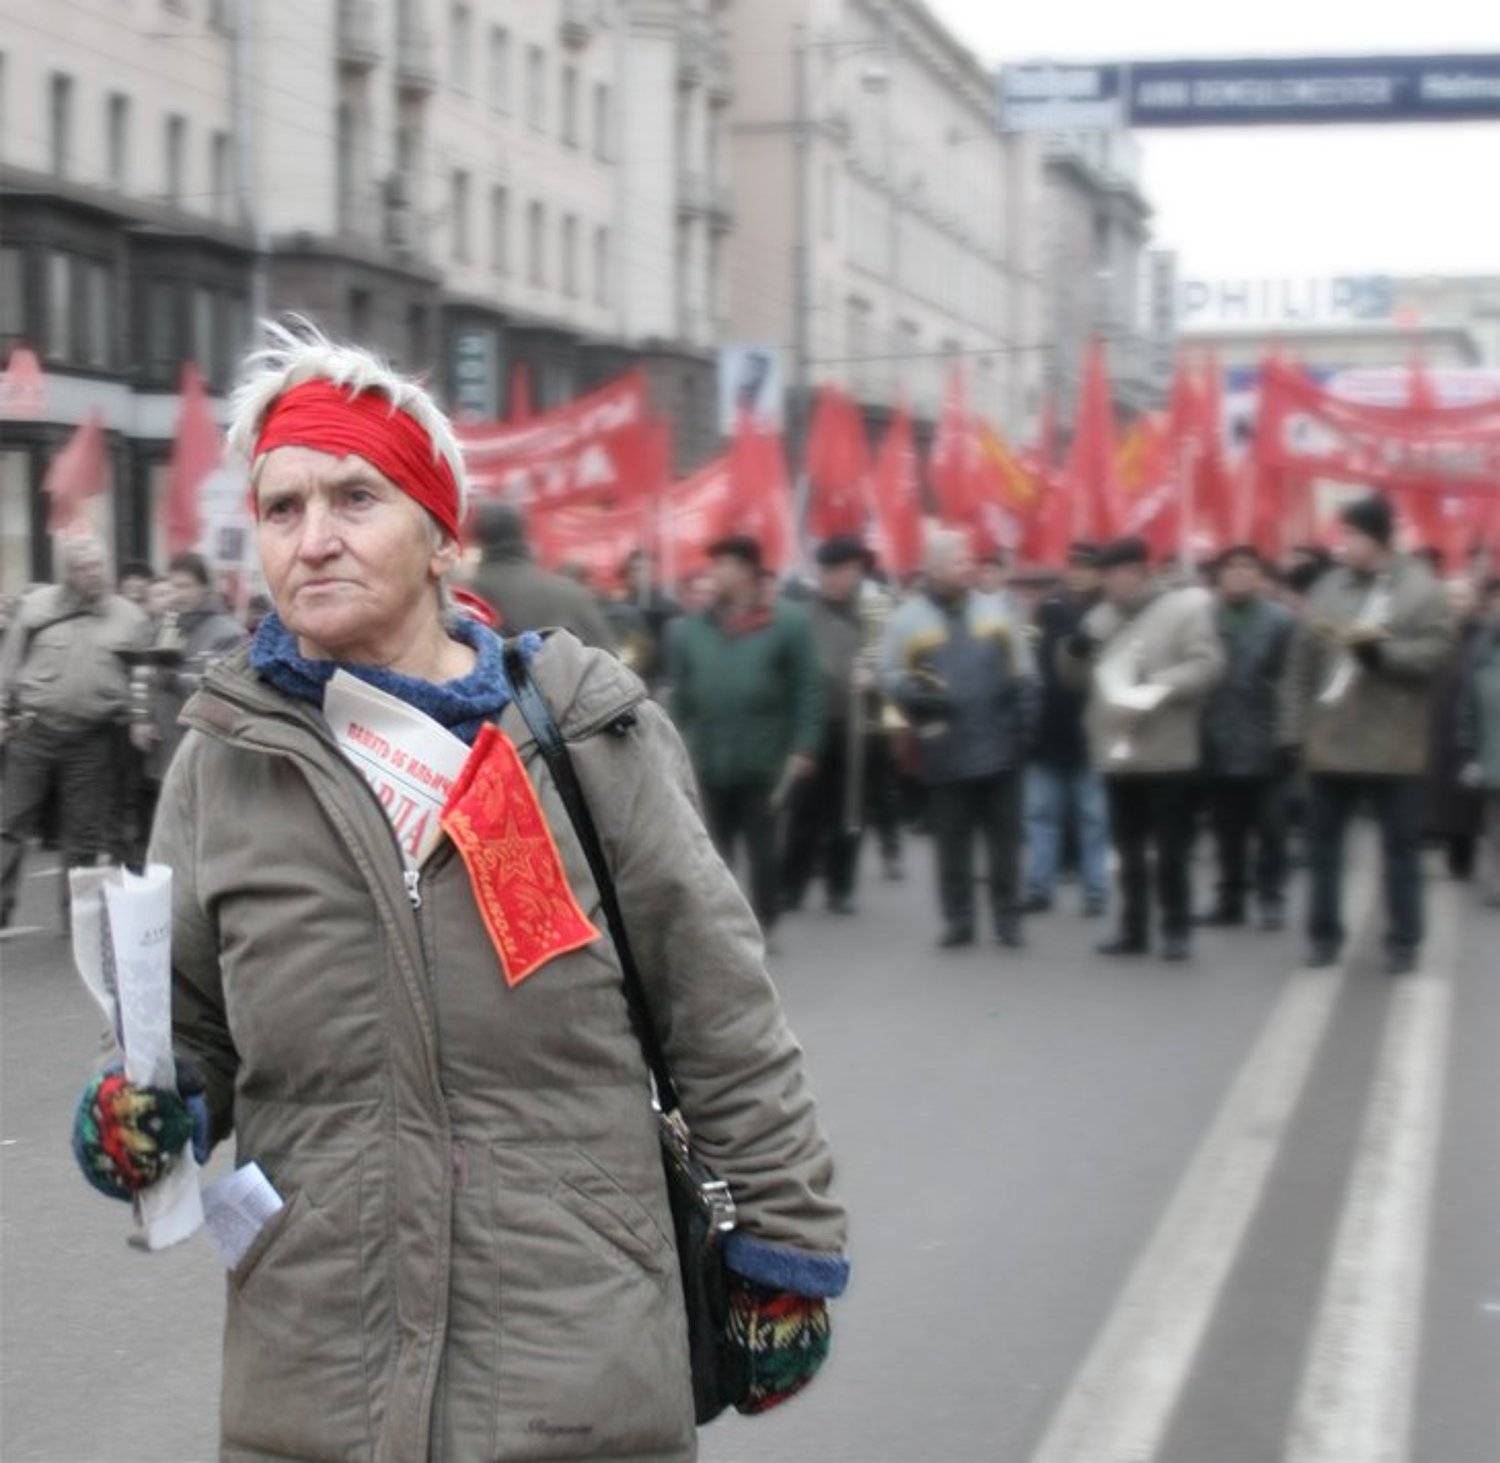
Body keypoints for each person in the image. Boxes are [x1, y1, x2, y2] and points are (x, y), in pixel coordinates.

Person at [67, 322, 848, 1459]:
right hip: (316, 1375)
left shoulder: (584, 735)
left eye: (354, 499)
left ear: (442, 536)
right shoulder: (222, 758)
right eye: (282, 509)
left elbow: (721, 1011)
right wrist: (139, 1112)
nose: (314, 540)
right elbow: (182, 1030)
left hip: (571, 1367)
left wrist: (784, 1242)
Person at [1280, 493, 1454, 974]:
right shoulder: (1328, 588)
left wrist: (1384, 655)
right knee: (1323, 849)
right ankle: (1323, 935)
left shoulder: (1421, 590)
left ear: (1377, 538)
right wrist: (1294, 729)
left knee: (1400, 851)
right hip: (1331, 740)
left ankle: (1404, 941)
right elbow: (1301, 664)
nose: (1343, 543)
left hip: (1394, 744)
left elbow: (1436, 653)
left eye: (1352, 534)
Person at [1060, 536, 1225, 961]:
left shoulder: (1184, 609)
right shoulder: (1100, 617)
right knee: (1127, 846)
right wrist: (1072, 652)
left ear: (1137, 572)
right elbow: (1075, 680)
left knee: (1170, 847)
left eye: (1113, 575)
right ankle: (1133, 928)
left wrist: (1159, 684)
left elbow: (1208, 665)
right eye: (1104, 576)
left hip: (1166, 746)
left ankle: (1175, 928)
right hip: (1117, 747)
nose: (1107, 585)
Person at [881, 529, 1039, 949]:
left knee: (1004, 842)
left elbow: (1024, 673)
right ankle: (959, 919)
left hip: (1001, 748)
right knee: (952, 843)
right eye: (958, 560)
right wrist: (914, 693)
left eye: (969, 559)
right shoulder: (907, 620)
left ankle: (1008, 918)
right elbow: (890, 674)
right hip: (944, 748)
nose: (968, 566)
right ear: (932, 568)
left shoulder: (997, 611)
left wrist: (1024, 729)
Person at [669, 534, 822, 937]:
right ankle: (722, 926)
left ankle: (765, 919)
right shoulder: (693, 629)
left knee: (762, 848)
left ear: (746, 572)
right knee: (712, 849)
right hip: (708, 757)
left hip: (765, 758)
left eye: (723, 565)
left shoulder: (787, 623)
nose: (714, 573)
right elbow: (680, 692)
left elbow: (808, 688)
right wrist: (669, 741)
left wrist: (805, 745)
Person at [0, 535, 150, 928]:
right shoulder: (35, 608)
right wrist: (2, 713)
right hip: (34, 731)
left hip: (92, 736)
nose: (93, 575)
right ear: (67, 573)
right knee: (9, 823)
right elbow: (8, 665)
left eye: (98, 566)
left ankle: (78, 919)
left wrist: (139, 715)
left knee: (82, 833)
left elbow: (143, 673)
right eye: (83, 568)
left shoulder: (130, 617)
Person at [1198, 545, 1297, 930]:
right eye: (1231, 566)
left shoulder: (1280, 622)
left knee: (1271, 827)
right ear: (1219, 575)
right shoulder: (1205, 618)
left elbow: (1291, 682)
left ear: (1260, 576)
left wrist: (1290, 735)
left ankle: (1271, 897)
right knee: (1226, 828)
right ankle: (1230, 899)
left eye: (1247, 566)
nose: (1238, 574)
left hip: (1266, 737)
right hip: (1218, 736)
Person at [782, 536, 874, 915]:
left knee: (849, 812)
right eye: (839, 573)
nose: (845, 580)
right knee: (805, 811)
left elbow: (887, 659)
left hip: (855, 727)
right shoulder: (803, 616)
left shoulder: (868, 616)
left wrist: (872, 677)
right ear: (824, 574)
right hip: (813, 726)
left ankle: (841, 885)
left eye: (853, 573)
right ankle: (792, 885)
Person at [1024, 542, 1109, 917]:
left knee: (1093, 818)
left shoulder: (1107, 612)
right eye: (1074, 565)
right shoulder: (1049, 608)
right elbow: (1030, 662)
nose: (1079, 572)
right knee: (1042, 817)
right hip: (1049, 728)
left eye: (1088, 567)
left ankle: (1095, 891)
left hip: (1092, 730)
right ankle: (1040, 887)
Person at [128, 550, 245, 813]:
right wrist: (141, 716)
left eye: (185, 586)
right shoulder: (164, 626)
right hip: (165, 741)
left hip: (203, 742)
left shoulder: (227, 632)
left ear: (204, 588)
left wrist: (175, 679)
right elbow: (143, 674)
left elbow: (221, 687)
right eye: (173, 585)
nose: (177, 593)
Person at [468, 500, 618, 651]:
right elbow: (609, 660)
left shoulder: (469, 599)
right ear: (523, 532)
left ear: (478, 537)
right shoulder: (571, 592)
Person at [1424, 576, 1484, 879]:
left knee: (1466, 797)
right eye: (1449, 597)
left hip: (1470, 726)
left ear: (1474, 602)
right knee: (1435, 787)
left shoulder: (1484, 637)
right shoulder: (1430, 636)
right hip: (1434, 723)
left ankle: (1463, 852)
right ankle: (1436, 836)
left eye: (1461, 597)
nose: (1454, 603)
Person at [1458, 576, 1500, 905]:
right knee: (1495, 824)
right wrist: (1468, 752)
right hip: (1492, 752)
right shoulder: (1482, 648)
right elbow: (1467, 705)